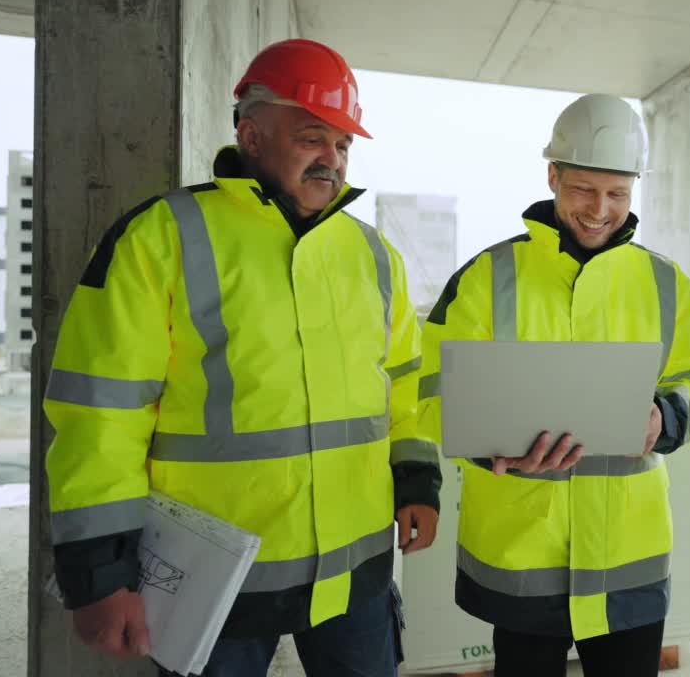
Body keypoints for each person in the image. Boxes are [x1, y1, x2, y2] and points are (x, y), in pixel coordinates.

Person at [43, 39, 442, 677]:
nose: (331, 159)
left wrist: (418, 482)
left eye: (343, 145)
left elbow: (403, 391)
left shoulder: (373, 256)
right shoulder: (162, 237)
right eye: (313, 138)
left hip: (355, 571)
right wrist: (99, 573)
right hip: (217, 582)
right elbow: (101, 416)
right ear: (252, 134)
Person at [416, 94, 690, 677]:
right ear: (552, 174)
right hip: (522, 550)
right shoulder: (488, 278)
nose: (599, 210)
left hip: (627, 556)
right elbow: (431, 394)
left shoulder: (665, 283)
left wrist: (667, 417)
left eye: (618, 193)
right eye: (583, 189)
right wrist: (487, 443)